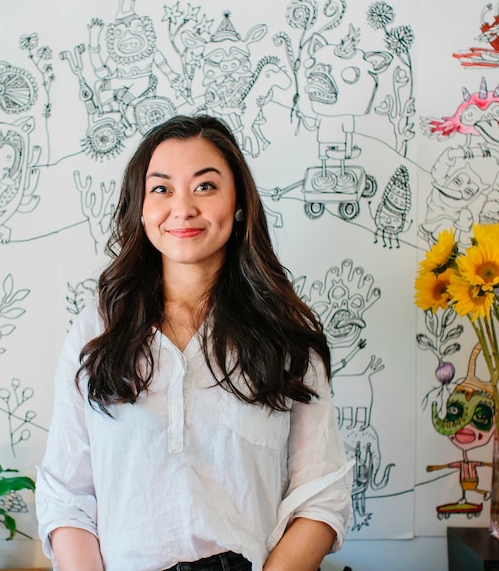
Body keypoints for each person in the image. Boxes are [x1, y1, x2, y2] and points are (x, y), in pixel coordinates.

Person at [36, 115, 352, 571]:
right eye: (161, 189)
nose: (182, 208)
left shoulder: (284, 333)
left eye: (205, 187)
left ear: (239, 203)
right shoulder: (97, 331)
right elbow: (67, 496)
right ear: (140, 207)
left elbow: (321, 496)